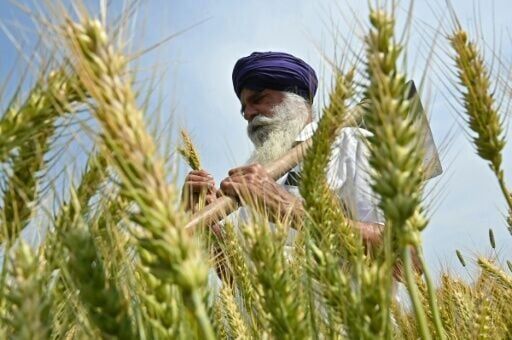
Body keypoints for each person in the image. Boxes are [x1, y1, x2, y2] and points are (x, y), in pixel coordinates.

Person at [182, 51, 386, 252]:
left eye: (258, 99)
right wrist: (206, 225)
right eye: (244, 108)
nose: (248, 114)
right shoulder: (256, 179)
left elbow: (404, 258)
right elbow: (240, 281)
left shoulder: (350, 145)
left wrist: (284, 207)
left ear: (294, 97)